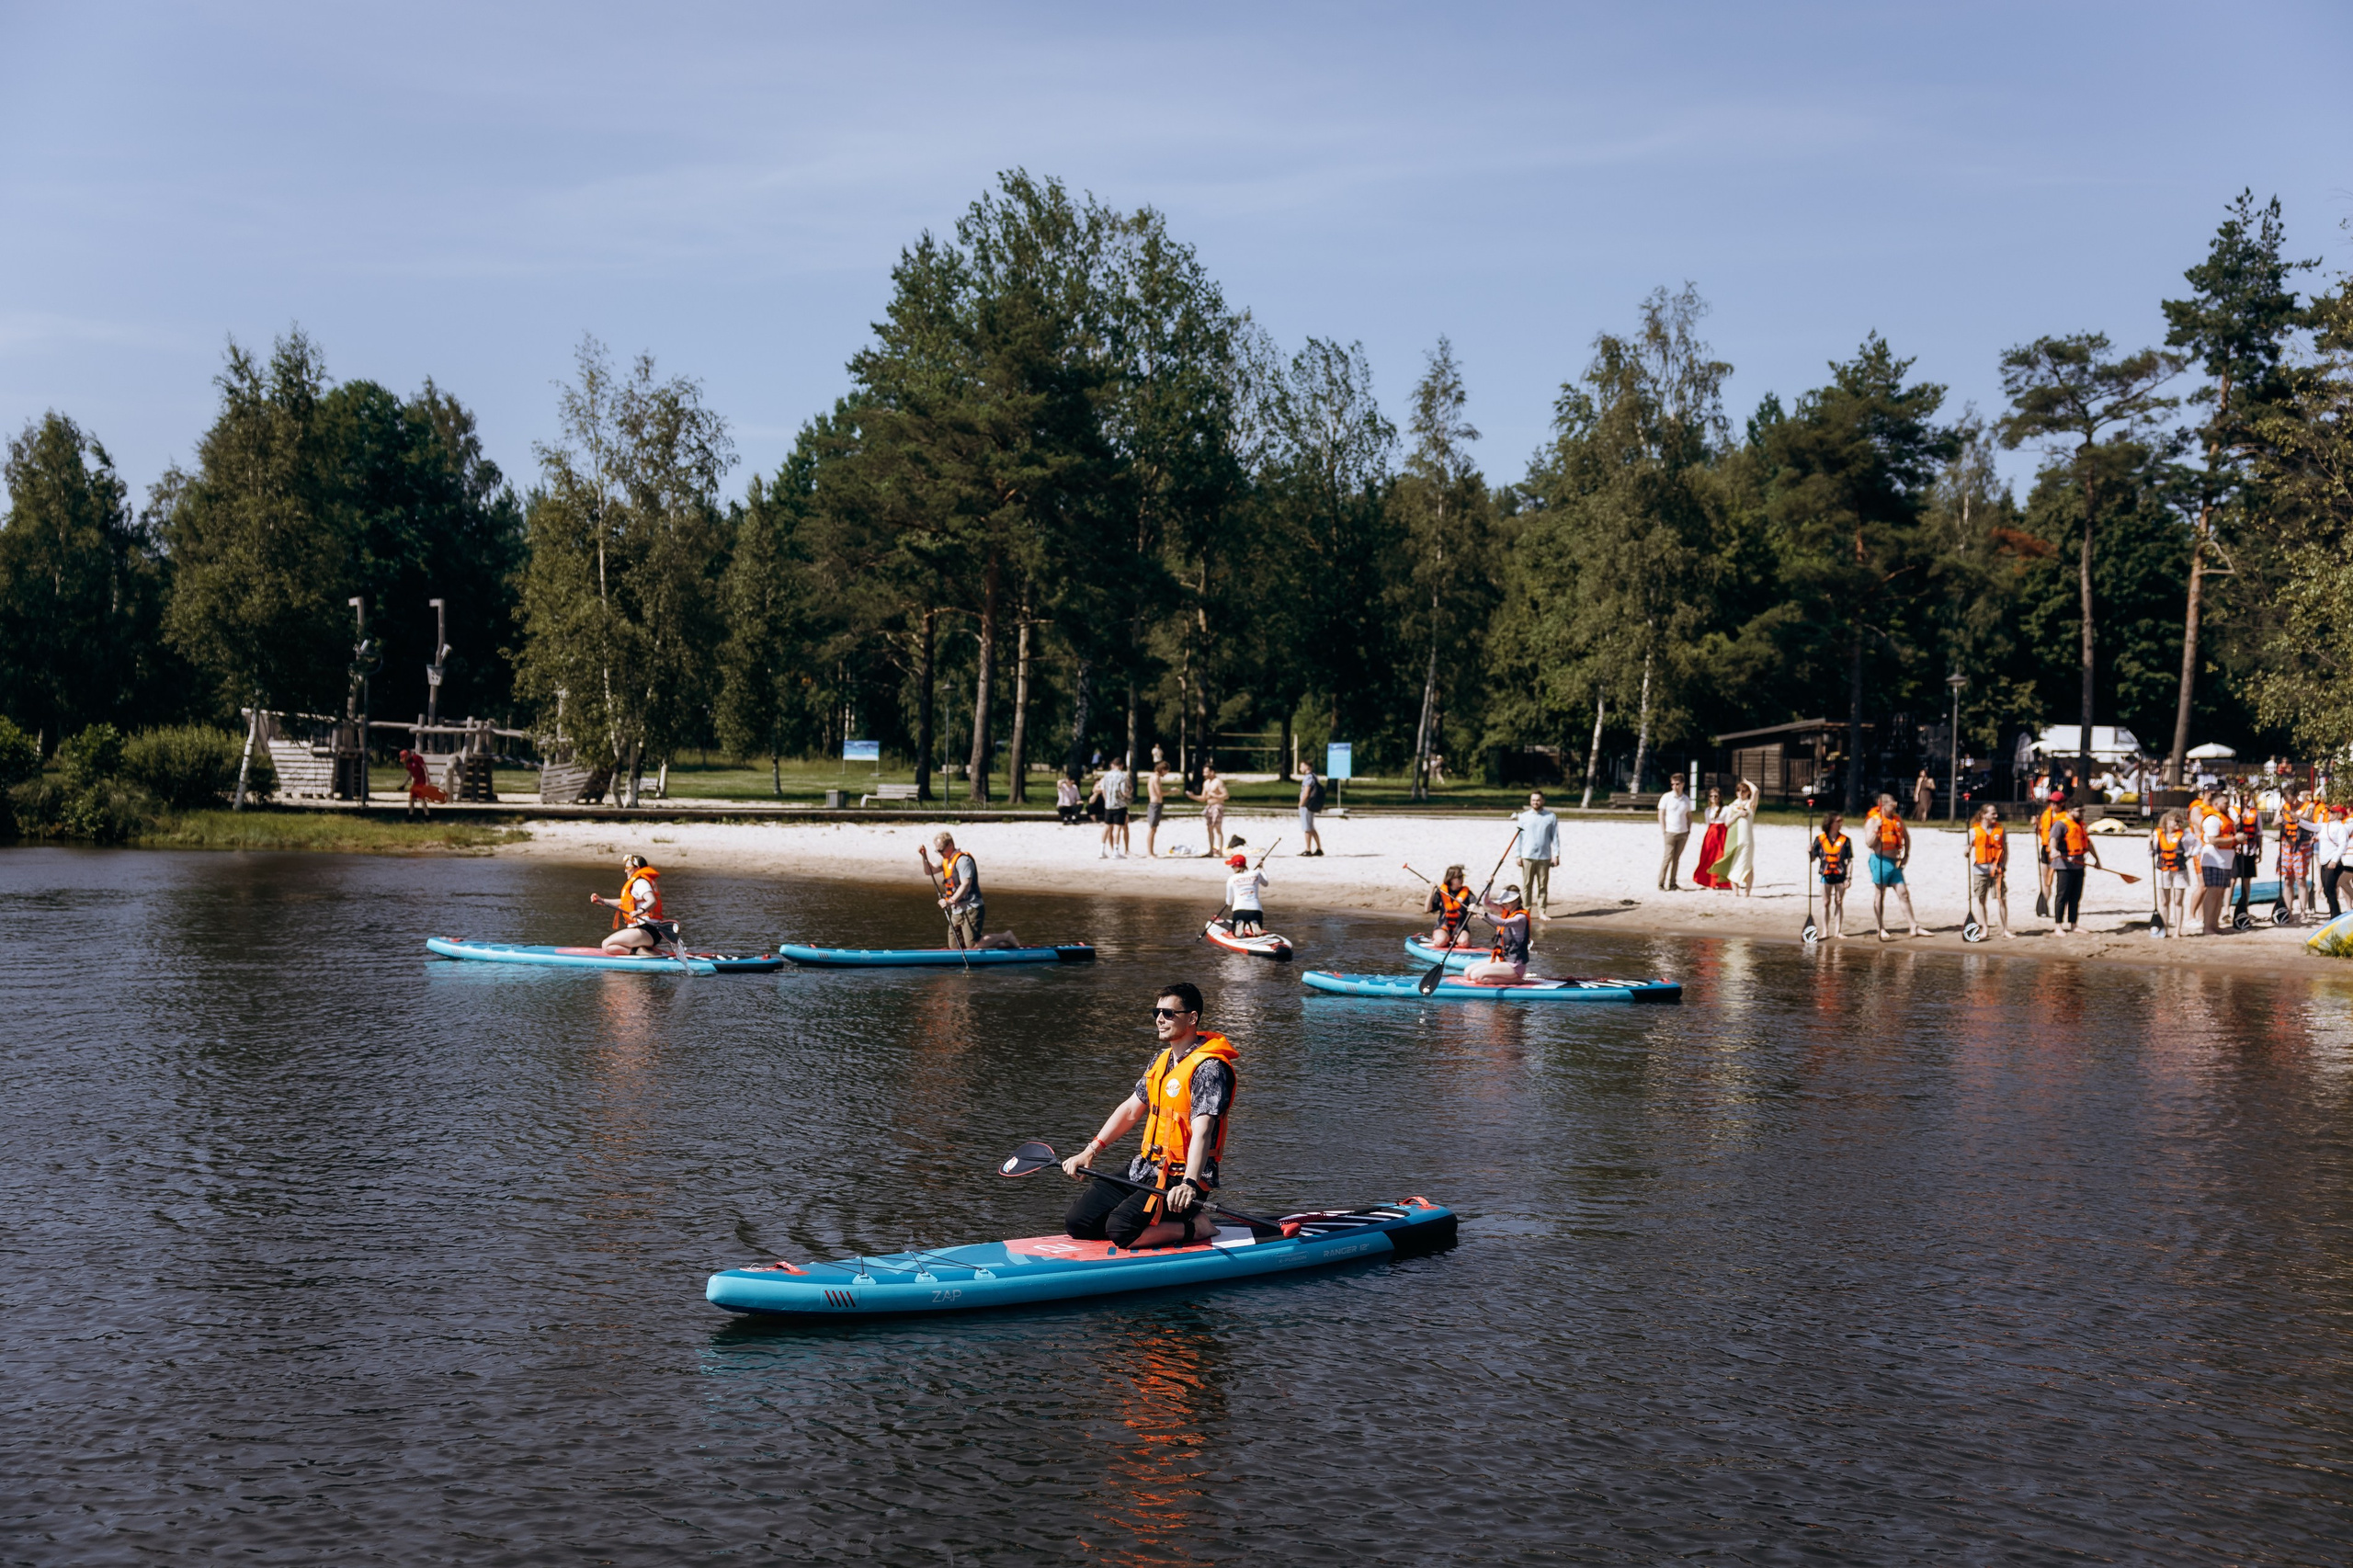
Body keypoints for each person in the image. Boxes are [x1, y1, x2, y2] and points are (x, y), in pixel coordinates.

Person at [1062, 983, 1236, 1250]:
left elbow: (1202, 1131)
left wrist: (1189, 1183)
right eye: (1157, 1012)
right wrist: (1090, 1151)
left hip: (1182, 1177)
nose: (1159, 1019)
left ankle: (1197, 1227)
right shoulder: (1161, 1060)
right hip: (1146, 1167)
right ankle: (1141, 1223)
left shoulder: (1210, 1069)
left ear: (1192, 1018)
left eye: (1168, 1013)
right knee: (1078, 1222)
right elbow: (1131, 1110)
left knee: (1121, 1229)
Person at [1863, 793, 1924, 940]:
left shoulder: (1897, 819)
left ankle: (1913, 926)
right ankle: (1880, 927)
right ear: (1882, 805)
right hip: (1880, 860)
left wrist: (1906, 855)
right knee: (1880, 894)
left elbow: (1906, 837)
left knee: (1903, 893)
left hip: (1895, 862)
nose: (1895, 807)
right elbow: (1869, 843)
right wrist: (1876, 829)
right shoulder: (1873, 821)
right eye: (1892, 805)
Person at [589, 854, 673, 955]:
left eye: (628, 868)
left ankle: (639, 952)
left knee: (606, 945)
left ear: (637, 868)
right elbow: (624, 903)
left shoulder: (640, 882)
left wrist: (639, 911)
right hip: (648, 932)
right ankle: (646, 950)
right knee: (609, 944)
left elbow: (652, 900)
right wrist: (601, 900)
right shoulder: (639, 882)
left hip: (647, 930)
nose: (625, 871)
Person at [917, 832, 985, 949]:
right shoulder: (946, 860)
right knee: (954, 946)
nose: (940, 853)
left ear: (950, 845)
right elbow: (929, 871)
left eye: (941, 850)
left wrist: (950, 901)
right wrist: (924, 856)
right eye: (937, 851)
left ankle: (1005, 937)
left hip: (971, 908)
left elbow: (966, 884)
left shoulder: (963, 861)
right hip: (957, 910)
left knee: (972, 945)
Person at [1461, 885, 1532, 984]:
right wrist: (1488, 887)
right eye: (1503, 902)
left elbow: (1504, 923)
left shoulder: (1521, 917)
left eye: (1508, 902)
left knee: (1476, 976)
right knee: (1468, 972)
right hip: (1502, 959)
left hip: (1514, 965)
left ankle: (1516, 980)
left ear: (1516, 900)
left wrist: (1483, 913)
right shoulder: (1506, 911)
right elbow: (1487, 903)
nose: (1504, 904)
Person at [2047, 801, 2099, 935]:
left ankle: (2074, 924)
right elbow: (2053, 839)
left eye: (2083, 811)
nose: (2082, 813)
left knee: (2075, 897)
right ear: (2070, 811)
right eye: (2079, 811)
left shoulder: (2080, 825)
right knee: (2062, 896)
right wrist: (2054, 850)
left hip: (2079, 865)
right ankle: (2058, 926)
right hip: (2064, 866)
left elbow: (2088, 843)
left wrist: (2097, 860)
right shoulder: (2060, 824)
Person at [2192, 792, 2237, 936]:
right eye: (2225, 803)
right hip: (2213, 862)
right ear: (2216, 804)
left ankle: (2214, 924)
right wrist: (2235, 839)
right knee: (2213, 892)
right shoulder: (2213, 819)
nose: (2228, 805)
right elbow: (2213, 840)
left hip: (2224, 862)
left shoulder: (2225, 818)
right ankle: (2207, 926)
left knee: (2219, 893)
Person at [1969, 805, 2013, 938]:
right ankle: (1985, 928)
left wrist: (2004, 865)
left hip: (1997, 870)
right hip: (1980, 871)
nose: (1996, 816)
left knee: (2002, 899)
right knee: (1981, 899)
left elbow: (2005, 850)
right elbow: (1968, 848)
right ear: (1984, 815)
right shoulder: (1973, 831)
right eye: (1993, 814)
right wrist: (1966, 851)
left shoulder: (2001, 830)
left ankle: (2005, 929)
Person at [2150, 808, 2195, 938]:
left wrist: (2188, 856)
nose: (2178, 824)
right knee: (2164, 901)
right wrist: (2150, 843)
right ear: (2167, 821)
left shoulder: (2185, 835)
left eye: (2180, 821)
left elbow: (2197, 845)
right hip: (2163, 870)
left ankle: (2177, 931)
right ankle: (2164, 929)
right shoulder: (2157, 834)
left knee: (2178, 901)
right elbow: (2151, 853)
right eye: (2175, 821)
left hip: (2179, 870)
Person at [1514, 791, 1561, 915]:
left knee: (1542, 886)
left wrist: (1556, 854)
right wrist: (1518, 855)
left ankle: (1542, 911)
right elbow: (1518, 838)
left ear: (1543, 801)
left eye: (1538, 800)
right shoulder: (1524, 817)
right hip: (1527, 856)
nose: (1535, 802)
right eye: (1533, 800)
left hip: (1544, 857)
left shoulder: (1551, 817)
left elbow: (1555, 837)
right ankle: (1526, 911)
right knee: (1527, 886)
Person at [1811, 812, 1853, 940]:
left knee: (1839, 902)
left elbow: (1849, 860)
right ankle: (1825, 931)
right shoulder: (1820, 839)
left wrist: (1849, 877)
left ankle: (1838, 931)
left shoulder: (1845, 840)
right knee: (1826, 902)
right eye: (1838, 821)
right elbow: (1812, 859)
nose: (1840, 824)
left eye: (1841, 821)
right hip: (1826, 875)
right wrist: (1809, 851)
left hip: (1840, 875)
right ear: (1830, 823)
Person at [1712, 778, 1758, 896]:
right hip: (1733, 838)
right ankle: (1735, 891)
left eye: (1743, 791)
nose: (1740, 793)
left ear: (1748, 792)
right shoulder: (1732, 805)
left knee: (1747, 865)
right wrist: (1738, 814)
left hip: (1747, 839)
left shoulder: (1750, 804)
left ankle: (1747, 891)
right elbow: (1727, 823)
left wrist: (1748, 782)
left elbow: (1756, 791)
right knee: (1733, 864)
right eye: (1738, 791)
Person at [2277, 790, 2313, 924]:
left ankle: (2303, 911)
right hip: (2287, 846)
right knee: (2287, 880)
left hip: (2302, 846)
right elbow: (2275, 823)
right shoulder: (2282, 808)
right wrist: (2278, 820)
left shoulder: (2308, 806)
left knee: (2301, 880)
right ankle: (2288, 911)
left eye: (2292, 800)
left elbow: (2307, 818)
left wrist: (2291, 814)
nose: (2290, 803)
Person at [1657, 773, 1693, 892]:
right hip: (1670, 832)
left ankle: (1673, 883)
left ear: (1682, 784)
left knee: (1676, 859)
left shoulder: (1686, 799)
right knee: (1667, 858)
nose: (1675, 787)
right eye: (1673, 784)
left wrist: (1688, 829)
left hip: (1683, 832)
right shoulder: (1666, 797)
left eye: (1677, 784)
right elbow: (1661, 814)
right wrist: (1664, 830)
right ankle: (1661, 883)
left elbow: (1689, 815)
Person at [2035, 791, 2067, 916]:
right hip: (2045, 849)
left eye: (2056, 803)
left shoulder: (2065, 817)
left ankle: (2062, 907)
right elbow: (2041, 832)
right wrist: (2036, 825)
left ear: (2062, 803)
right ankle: (2044, 905)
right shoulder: (2046, 814)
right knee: (2046, 880)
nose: (2053, 805)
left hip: (2059, 850)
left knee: (2061, 881)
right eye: (2051, 802)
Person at [1425, 864, 1473, 947]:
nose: (1462, 879)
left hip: (1460, 928)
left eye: (1462, 876)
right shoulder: (1442, 892)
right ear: (1450, 879)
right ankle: (1441, 939)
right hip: (1443, 927)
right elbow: (1427, 909)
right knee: (1441, 941)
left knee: (1464, 942)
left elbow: (1476, 905)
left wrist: (1474, 908)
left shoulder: (1467, 893)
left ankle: (1459, 941)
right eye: (1459, 877)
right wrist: (1431, 890)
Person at [1091, 758, 1131, 858]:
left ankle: (1102, 850)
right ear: (1121, 765)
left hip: (1109, 804)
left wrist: (1107, 800)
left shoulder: (1106, 775)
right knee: (1117, 828)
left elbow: (1103, 790)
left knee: (1107, 827)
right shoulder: (1122, 776)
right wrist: (1130, 791)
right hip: (1119, 805)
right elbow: (1124, 792)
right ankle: (1116, 851)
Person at [2233, 789, 2264, 916]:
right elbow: (2230, 828)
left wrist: (2260, 850)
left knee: (2247, 880)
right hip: (2236, 851)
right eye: (2243, 796)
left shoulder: (2255, 812)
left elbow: (2259, 832)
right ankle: (2227, 911)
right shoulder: (2232, 810)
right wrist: (2239, 819)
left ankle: (2245, 907)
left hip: (2250, 850)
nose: (2246, 798)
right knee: (2232, 880)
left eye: (2248, 796)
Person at [1221, 853, 1267, 937]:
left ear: (1236, 867)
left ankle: (1239, 927)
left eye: (1232, 866)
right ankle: (1253, 924)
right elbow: (1266, 883)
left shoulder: (1232, 879)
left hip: (1239, 910)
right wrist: (1261, 868)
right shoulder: (1256, 873)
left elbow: (1229, 902)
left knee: (1235, 933)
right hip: (1256, 910)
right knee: (1257, 930)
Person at [1187, 765, 1230, 856]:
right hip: (1209, 807)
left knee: (1218, 828)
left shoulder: (1218, 782)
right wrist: (1192, 796)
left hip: (1217, 806)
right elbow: (1203, 798)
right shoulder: (1206, 783)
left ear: (1212, 772)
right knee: (1209, 829)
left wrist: (1215, 796)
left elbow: (1226, 795)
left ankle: (1220, 851)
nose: (1204, 774)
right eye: (1204, 772)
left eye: (1206, 772)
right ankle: (1211, 850)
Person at [1692, 788, 1730, 891]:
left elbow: (1728, 823)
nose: (1714, 798)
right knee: (1708, 857)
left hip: (1722, 834)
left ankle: (1720, 880)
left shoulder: (1726, 809)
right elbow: (1708, 823)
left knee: (1720, 856)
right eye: (1711, 796)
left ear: (1720, 797)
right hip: (1711, 835)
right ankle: (1708, 880)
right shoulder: (1708, 810)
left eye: (1716, 796)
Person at [2320, 804, 2348, 923]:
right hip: (2324, 861)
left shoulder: (2341, 827)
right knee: (2326, 890)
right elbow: (2312, 827)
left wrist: (2335, 860)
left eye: (2332, 812)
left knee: (2330, 889)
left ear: (2338, 814)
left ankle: (2336, 916)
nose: (2329, 813)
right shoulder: (2325, 825)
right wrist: (2298, 821)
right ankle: (2334, 914)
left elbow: (2343, 844)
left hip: (2333, 862)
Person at [1143, 760, 1170, 857]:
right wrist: (1171, 791)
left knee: (1153, 829)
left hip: (1155, 804)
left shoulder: (1152, 777)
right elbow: (1159, 793)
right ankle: (1150, 852)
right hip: (1155, 805)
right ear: (1163, 770)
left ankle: (1151, 852)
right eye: (1166, 771)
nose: (1166, 774)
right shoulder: (1156, 778)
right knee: (1152, 829)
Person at [1297, 766, 1325, 857]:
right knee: (1311, 827)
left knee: (1307, 828)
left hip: (1306, 805)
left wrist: (1301, 803)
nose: (1300, 769)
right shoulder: (1314, 776)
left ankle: (1308, 849)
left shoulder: (1308, 778)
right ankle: (1319, 848)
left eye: (1301, 766)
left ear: (1307, 766)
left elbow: (1306, 792)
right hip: (1312, 804)